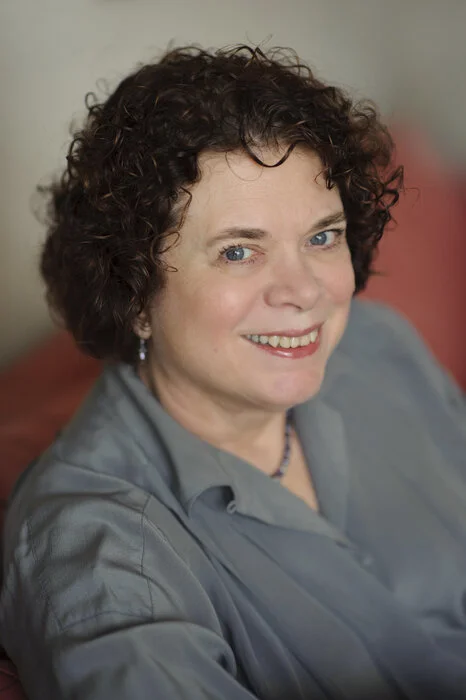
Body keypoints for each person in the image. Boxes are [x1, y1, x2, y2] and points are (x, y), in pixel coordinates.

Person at [1, 44, 465, 700]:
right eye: (239, 252)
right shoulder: (101, 552)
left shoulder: (376, 348)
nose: (304, 291)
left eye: (322, 237)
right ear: (134, 294)